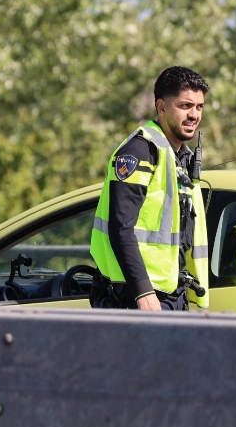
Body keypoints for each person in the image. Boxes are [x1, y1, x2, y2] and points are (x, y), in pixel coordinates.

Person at [89, 67, 210, 311]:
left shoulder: (180, 158)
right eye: (185, 105)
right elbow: (120, 227)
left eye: (199, 107)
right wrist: (143, 291)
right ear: (162, 107)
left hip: (171, 294)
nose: (194, 115)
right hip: (138, 297)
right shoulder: (139, 151)